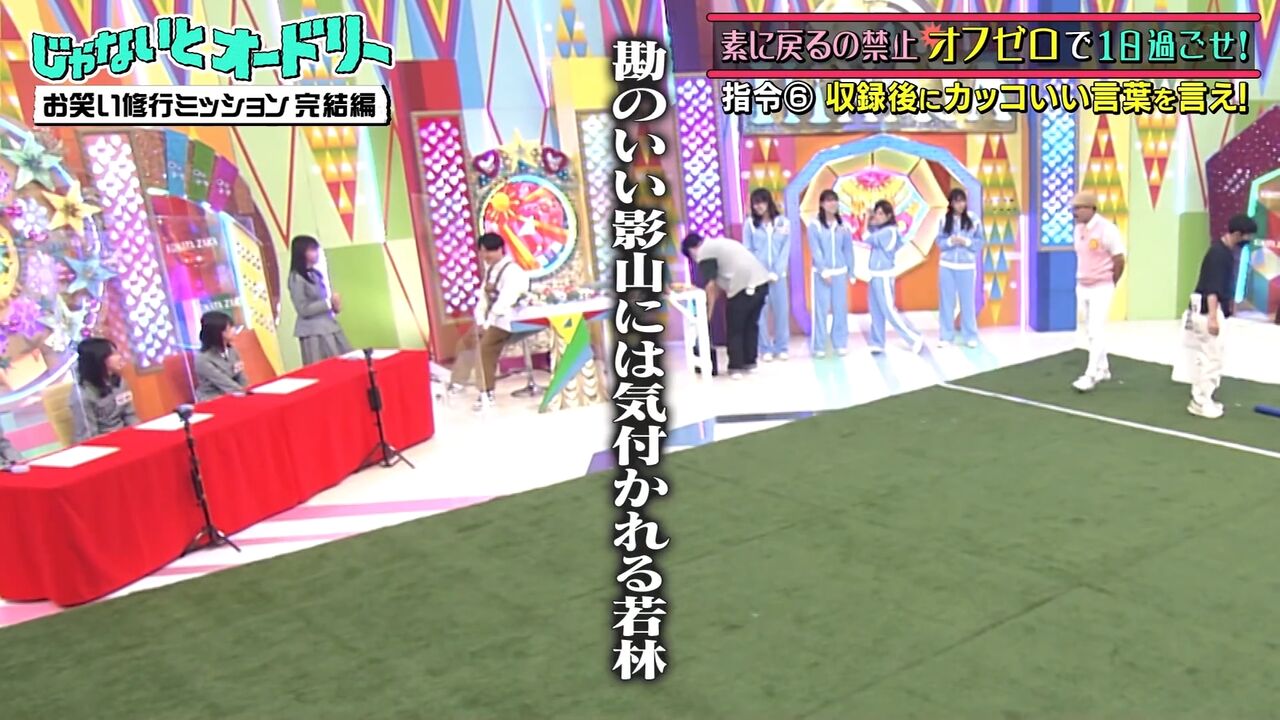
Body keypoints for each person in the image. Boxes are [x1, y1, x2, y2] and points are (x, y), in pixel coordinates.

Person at [448, 232, 530, 409]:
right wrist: (480, 320)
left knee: (485, 348)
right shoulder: (491, 270)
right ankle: (458, 382)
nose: (485, 255)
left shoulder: (513, 272)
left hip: (508, 320)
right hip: (490, 320)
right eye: (482, 251)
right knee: (466, 342)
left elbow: (505, 302)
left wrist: (487, 324)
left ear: (500, 250)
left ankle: (486, 393)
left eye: (489, 251)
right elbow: (483, 299)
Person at [1186, 213, 1257, 419]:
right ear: (1238, 234)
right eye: (1248, 236)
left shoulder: (1222, 251)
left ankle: (1201, 397)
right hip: (1208, 311)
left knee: (1206, 356)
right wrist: (1213, 317)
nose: (1248, 241)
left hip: (1207, 310)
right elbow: (1212, 288)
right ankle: (1201, 401)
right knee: (1213, 358)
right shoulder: (1219, 255)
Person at [681, 233, 770, 379]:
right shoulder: (720, 243)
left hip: (741, 286)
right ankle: (750, 362)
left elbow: (711, 286)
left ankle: (735, 367)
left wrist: (707, 316)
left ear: (691, 250)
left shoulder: (704, 252)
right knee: (750, 325)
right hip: (762, 283)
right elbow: (718, 283)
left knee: (735, 328)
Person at [1070, 190, 1126, 392]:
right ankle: (1103, 369)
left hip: (1101, 286)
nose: (1075, 212)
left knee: (1096, 330)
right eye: (1074, 208)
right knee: (1089, 329)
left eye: (1079, 208)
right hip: (1082, 285)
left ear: (1091, 208)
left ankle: (1091, 374)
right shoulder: (1078, 229)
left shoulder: (1107, 229)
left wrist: (1112, 281)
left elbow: (1119, 258)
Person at [864, 200, 924, 354]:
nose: (877, 216)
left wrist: (866, 218)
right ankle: (877, 342)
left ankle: (913, 338)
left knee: (889, 311)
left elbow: (866, 237)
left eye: (880, 214)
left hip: (884, 276)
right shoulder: (882, 230)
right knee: (875, 310)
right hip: (874, 275)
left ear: (889, 215)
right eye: (876, 213)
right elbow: (872, 229)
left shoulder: (889, 231)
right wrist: (870, 219)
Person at [288, 235, 352, 365]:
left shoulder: (316, 274)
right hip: (314, 332)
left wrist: (335, 306)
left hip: (329, 326)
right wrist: (328, 303)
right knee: (324, 365)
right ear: (301, 252)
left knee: (343, 362)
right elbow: (303, 309)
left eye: (316, 249)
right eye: (312, 250)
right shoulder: (296, 278)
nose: (316, 253)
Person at [743, 188, 791, 361]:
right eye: (755, 203)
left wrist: (777, 271)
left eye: (762, 202)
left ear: (769, 202)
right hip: (759, 276)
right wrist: (759, 272)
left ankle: (782, 347)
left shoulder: (783, 223)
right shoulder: (750, 224)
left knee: (781, 312)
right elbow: (748, 250)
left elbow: (785, 248)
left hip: (779, 276)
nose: (759, 206)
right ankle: (765, 348)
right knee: (760, 314)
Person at [936, 188, 985, 348]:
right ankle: (946, 336)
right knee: (946, 303)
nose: (960, 205)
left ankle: (970, 335)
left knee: (967, 302)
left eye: (962, 201)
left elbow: (980, 242)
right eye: (957, 201)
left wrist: (966, 242)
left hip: (967, 266)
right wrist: (950, 241)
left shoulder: (973, 219)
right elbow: (939, 242)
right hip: (947, 266)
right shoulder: (944, 220)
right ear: (951, 203)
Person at [807, 189, 854, 357]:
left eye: (835, 200)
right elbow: (815, 249)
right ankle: (819, 345)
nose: (832, 203)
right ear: (821, 204)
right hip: (821, 274)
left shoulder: (843, 226)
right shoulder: (815, 225)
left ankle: (840, 342)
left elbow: (848, 250)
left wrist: (851, 271)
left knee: (840, 309)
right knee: (821, 310)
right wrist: (823, 271)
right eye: (828, 200)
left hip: (840, 272)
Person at [71, 337, 140, 441]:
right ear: (100, 359)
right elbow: (88, 438)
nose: (120, 357)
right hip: (104, 443)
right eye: (114, 354)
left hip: (127, 437)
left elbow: (130, 415)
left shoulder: (120, 382)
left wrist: (139, 436)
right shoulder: (82, 396)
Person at [193, 311, 249, 402]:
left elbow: (241, 377)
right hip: (212, 399)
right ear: (218, 332)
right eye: (230, 328)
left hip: (235, 394)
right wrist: (246, 395)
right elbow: (225, 383)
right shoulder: (203, 359)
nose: (234, 331)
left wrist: (248, 390)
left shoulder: (232, 351)